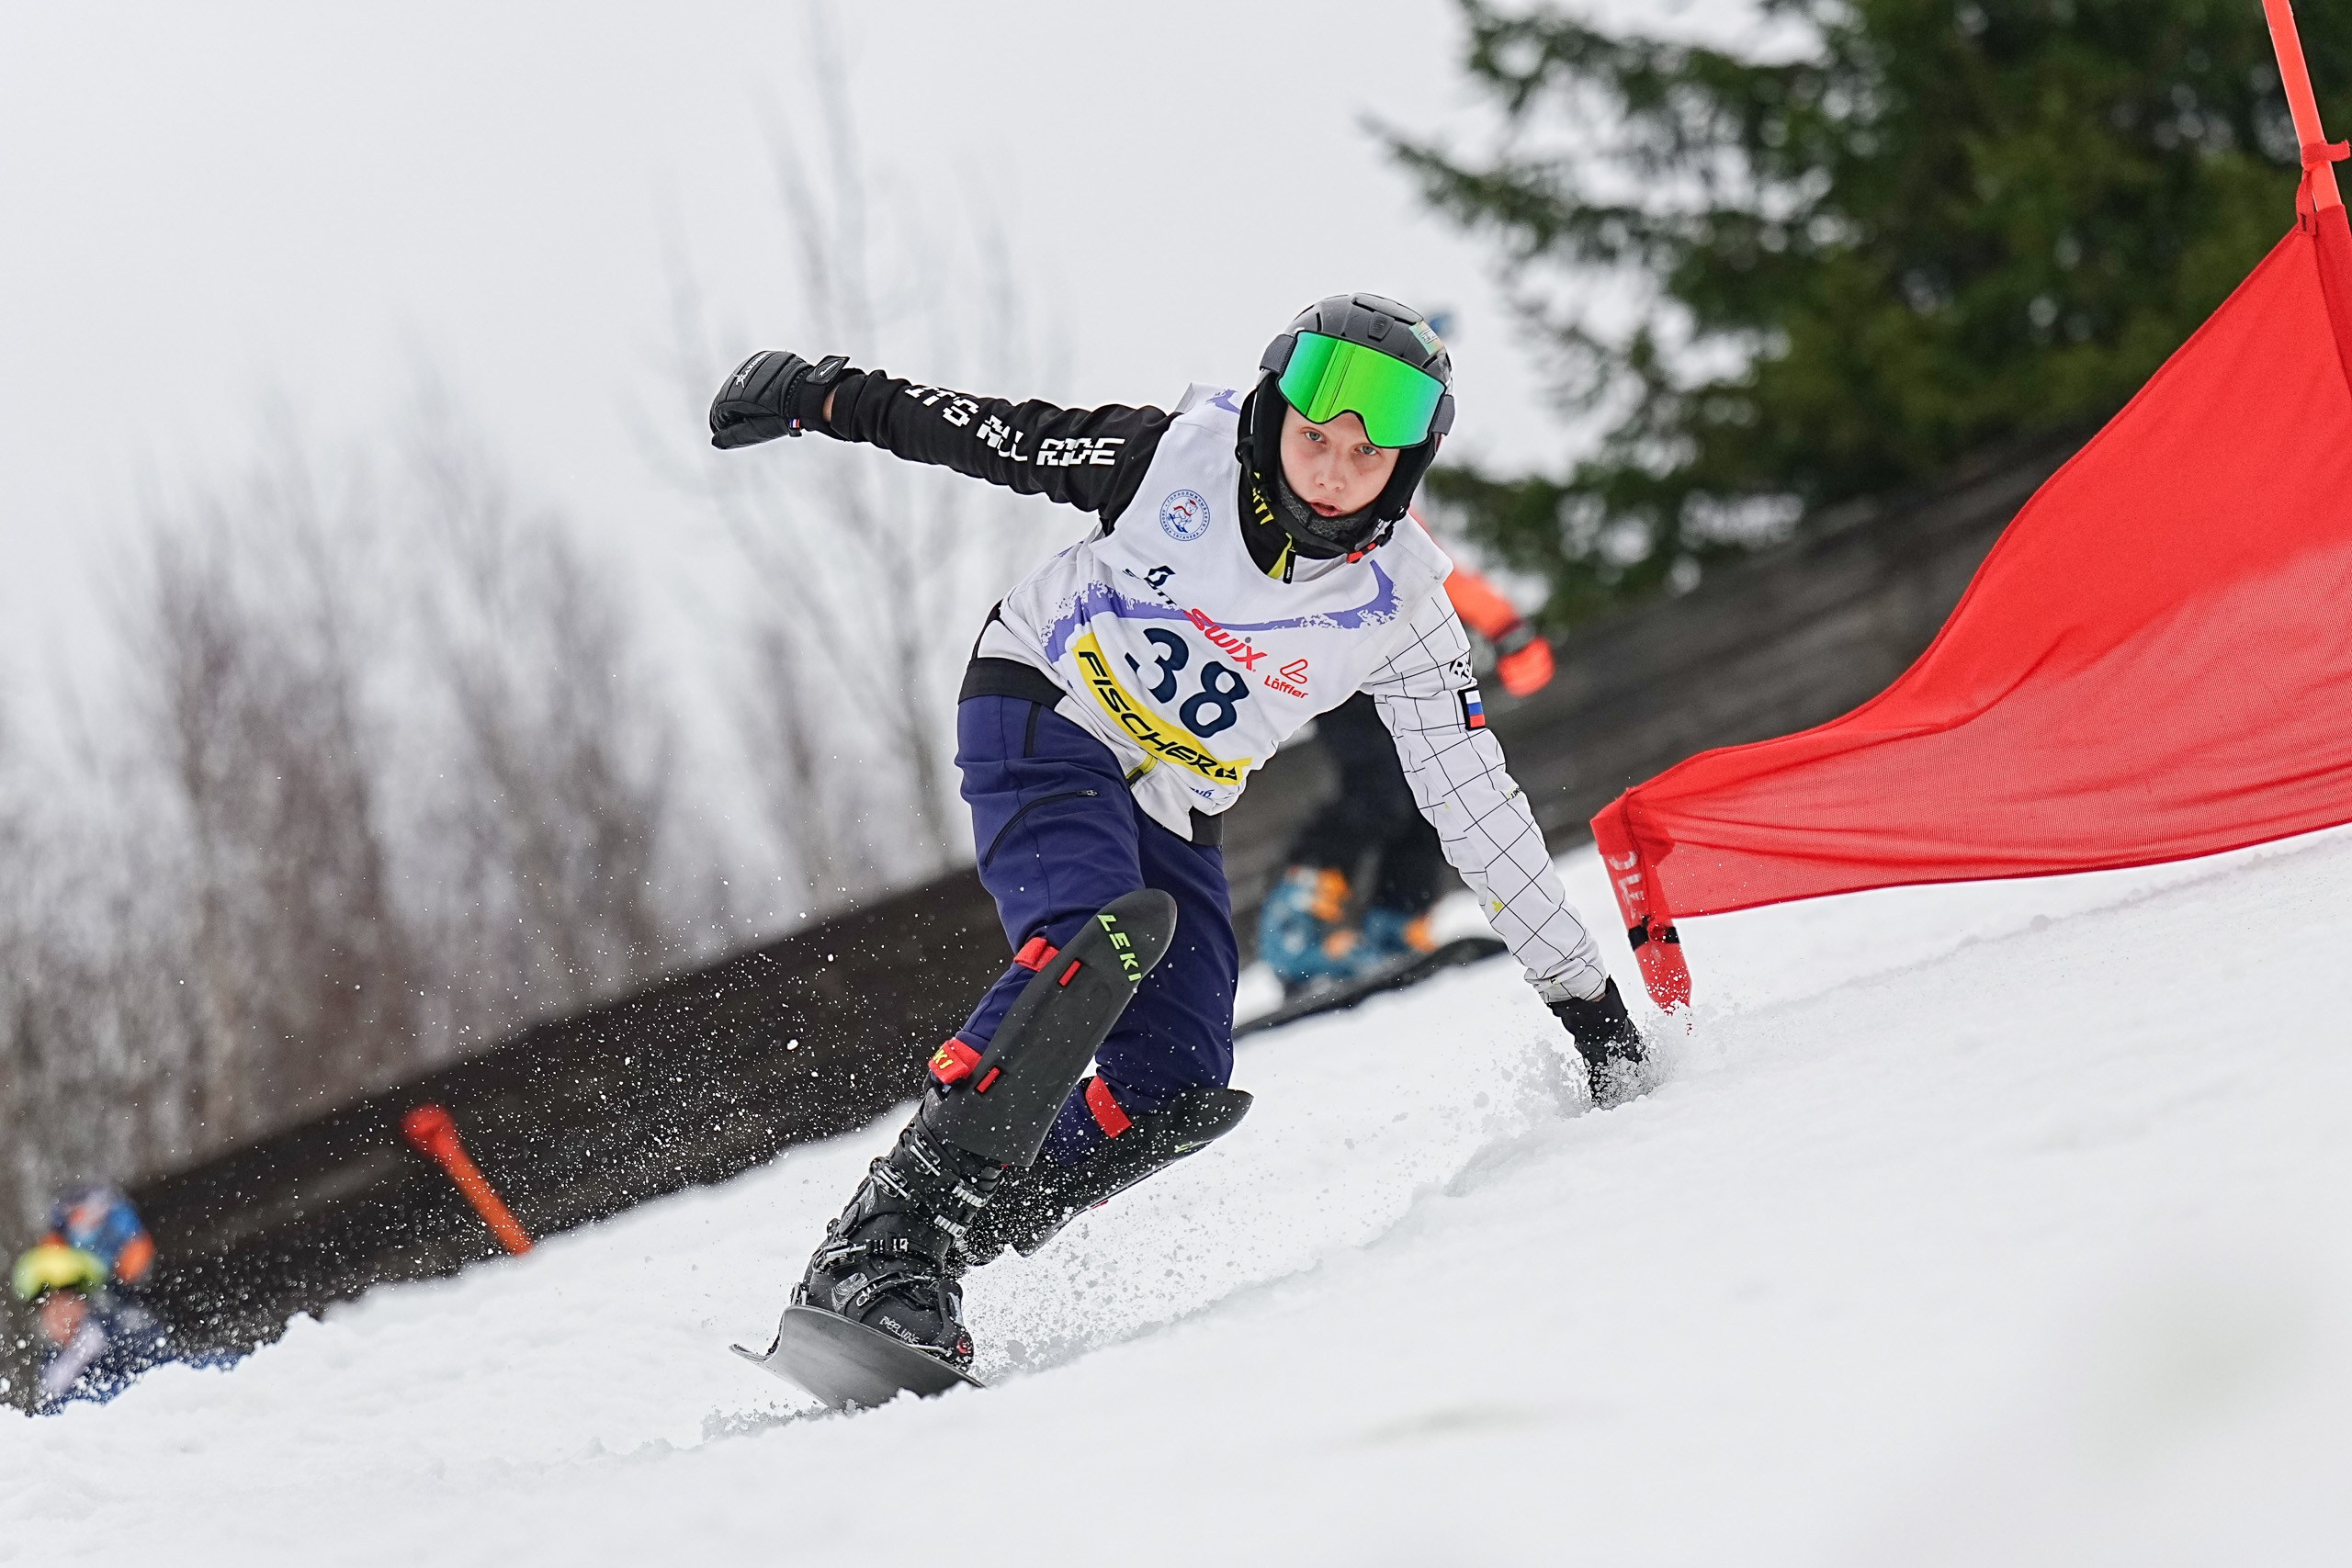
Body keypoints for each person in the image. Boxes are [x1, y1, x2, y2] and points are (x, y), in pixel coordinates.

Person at [710, 292, 1646, 1371]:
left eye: (1363, 456)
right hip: (1043, 710)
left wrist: (1588, 1005)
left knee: (1179, 1080)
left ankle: (956, 1230)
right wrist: (819, 395)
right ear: (1271, 420)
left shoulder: (1405, 612)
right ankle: (887, 1244)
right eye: (1311, 439)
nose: (1330, 473)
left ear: (1407, 469)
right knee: (1099, 932)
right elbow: (984, 431)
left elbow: (1477, 807)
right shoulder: (1169, 463)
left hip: (1171, 799)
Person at [1258, 559, 1557, 993]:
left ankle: (1394, 921)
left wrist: (1505, 626)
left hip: (1408, 668)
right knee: (1377, 791)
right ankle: (1296, 928)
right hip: (1341, 664)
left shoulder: (1394, 498)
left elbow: (1428, 563)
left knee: (1428, 798)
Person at [9, 1183, 170, 1410]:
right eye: (47, 1305)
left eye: (67, 1299)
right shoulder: (53, 1363)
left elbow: (161, 1387)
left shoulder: (125, 1334)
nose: (58, 1313)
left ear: (85, 1302)